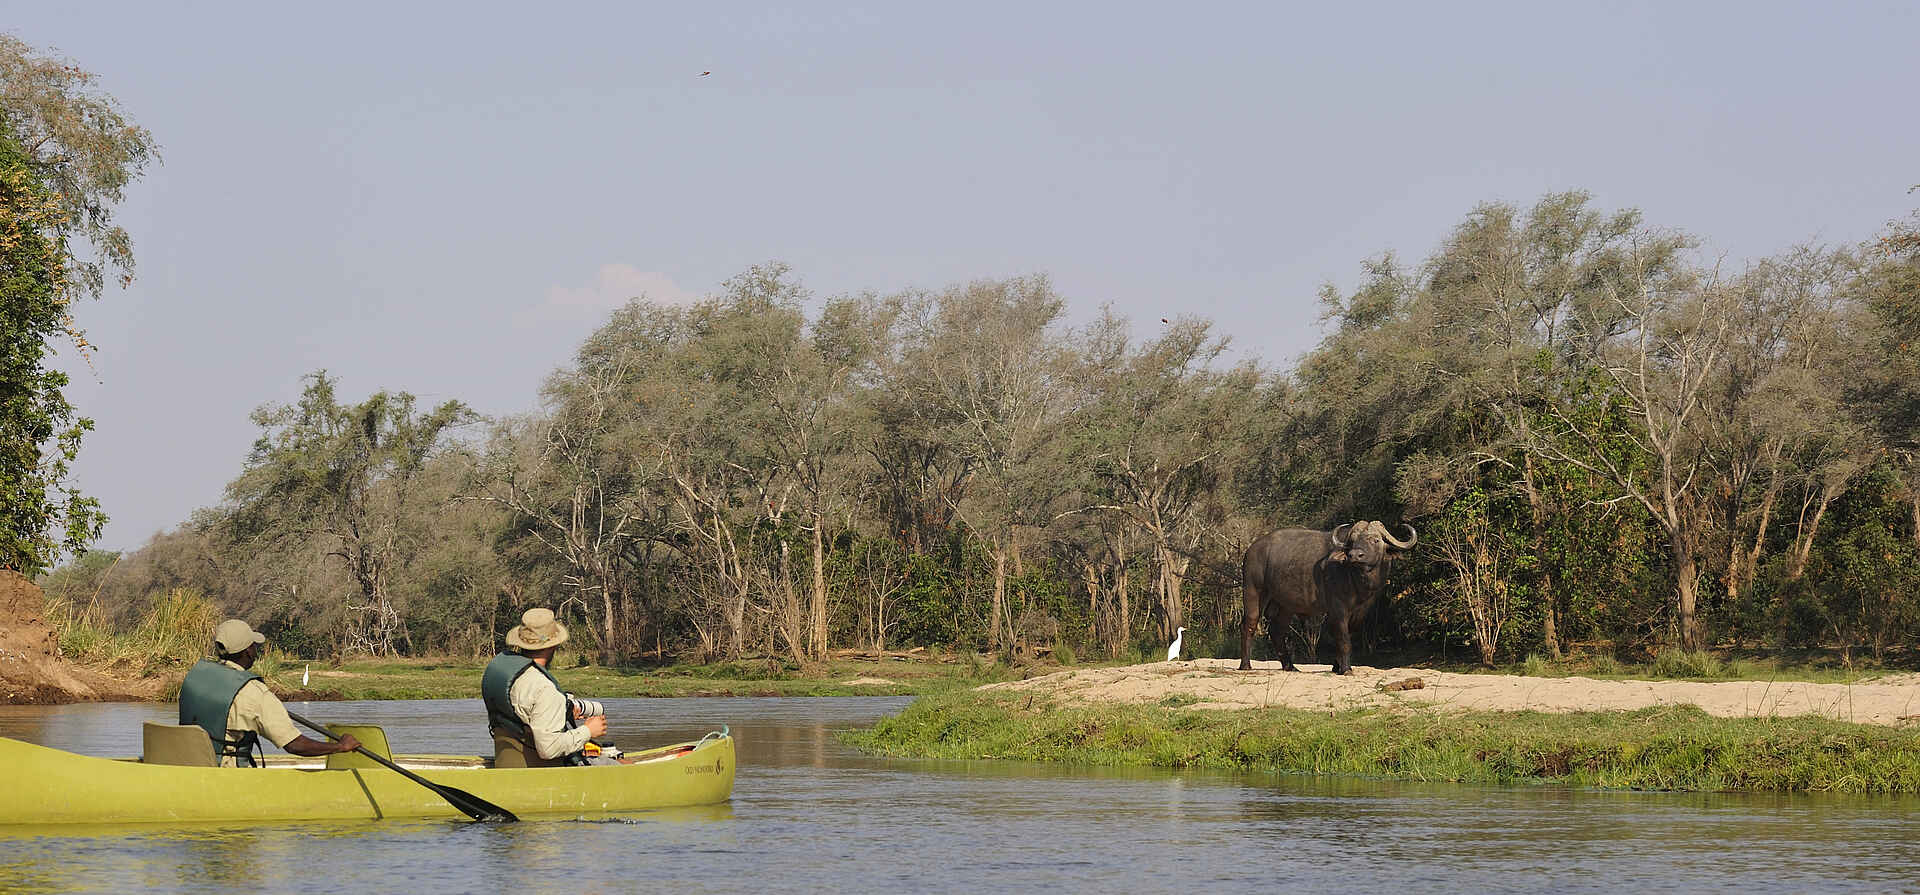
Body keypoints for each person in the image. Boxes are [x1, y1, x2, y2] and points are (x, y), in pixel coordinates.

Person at [178, 619, 361, 767]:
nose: (255, 650)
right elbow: (295, 745)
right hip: (225, 776)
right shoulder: (255, 692)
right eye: (254, 646)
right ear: (248, 651)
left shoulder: (198, 678)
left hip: (190, 765)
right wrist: (340, 746)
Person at [481, 608, 614, 768]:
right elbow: (548, 749)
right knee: (618, 762)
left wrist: (562, 711)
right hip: (537, 772)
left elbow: (522, 713)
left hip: (506, 761)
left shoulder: (505, 672)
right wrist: (588, 731)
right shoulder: (545, 689)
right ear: (553, 645)